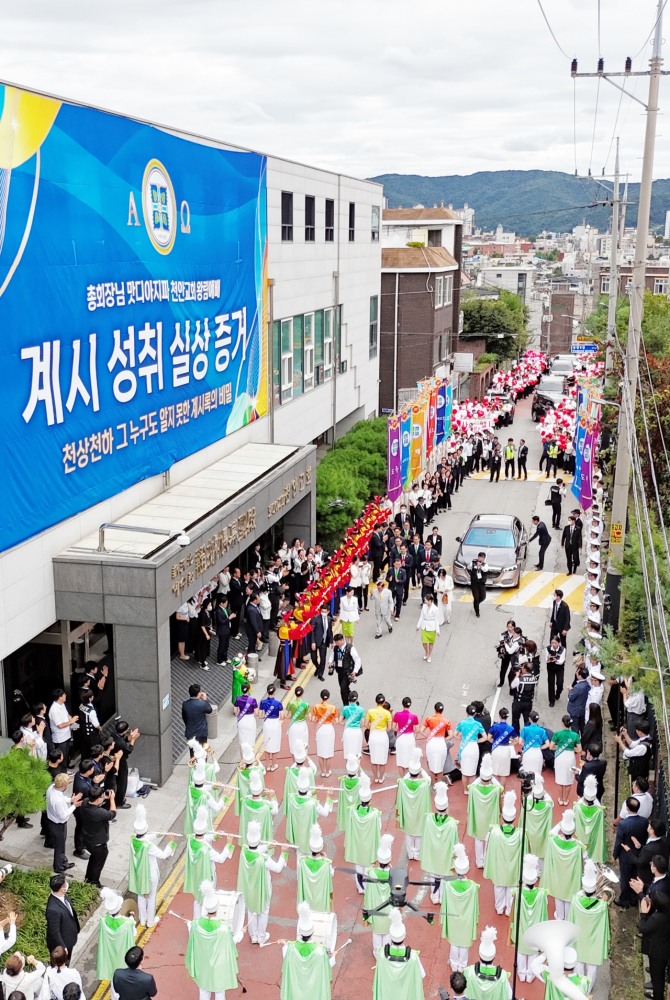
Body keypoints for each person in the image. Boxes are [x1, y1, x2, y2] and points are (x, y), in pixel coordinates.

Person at [185, 880, 239, 998]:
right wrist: (240, 934)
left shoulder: (195, 925)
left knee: (203, 991)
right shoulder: (223, 929)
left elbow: (191, 929)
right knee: (220, 991)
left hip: (203, 963)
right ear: (217, 907)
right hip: (219, 965)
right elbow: (231, 944)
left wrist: (188, 924)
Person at [237, 819, 287, 946]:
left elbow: (255, 849)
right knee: (264, 910)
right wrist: (284, 854)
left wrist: (267, 846)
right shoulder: (263, 858)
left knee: (251, 908)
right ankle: (261, 935)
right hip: (263, 887)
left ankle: (253, 935)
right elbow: (278, 868)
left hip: (249, 886)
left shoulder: (244, 851)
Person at [128, 803, 175, 928]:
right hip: (150, 874)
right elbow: (164, 855)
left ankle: (142, 920)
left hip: (139, 873)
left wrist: (157, 834)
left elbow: (144, 837)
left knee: (141, 896)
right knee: (151, 897)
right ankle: (150, 921)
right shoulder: (148, 846)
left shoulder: (133, 839)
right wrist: (171, 843)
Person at [184, 806, 234, 919]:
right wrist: (228, 845)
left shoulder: (190, 839)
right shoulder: (206, 848)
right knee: (208, 900)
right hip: (208, 874)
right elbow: (220, 858)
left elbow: (202, 836)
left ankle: (196, 923)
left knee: (197, 900)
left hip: (195, 874)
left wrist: (214, 836)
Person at [568, 859, 610, 989]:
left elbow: (570, 919)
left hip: (579, 936)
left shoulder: (575, 901)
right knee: (592, 963)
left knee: (578, 959)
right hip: (594, 938)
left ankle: (579, 986)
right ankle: (588, 988)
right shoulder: (602, 906)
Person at [281, 902, 334, 1000]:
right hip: (313, 993)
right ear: (313, 932)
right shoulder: (320, 952)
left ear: (300, 932)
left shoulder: (290, 949)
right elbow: (326, 966)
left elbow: (286, 956)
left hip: (296, 992)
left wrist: (284, 945)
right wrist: (333, 957)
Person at [484, 791, 525, 916]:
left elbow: (488, 847)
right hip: (513, 868)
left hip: (499, 866)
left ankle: (499, 907)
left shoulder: (495, 832)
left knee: (499, 887)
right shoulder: (520, 834)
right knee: (512, 887)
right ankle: (509, 909)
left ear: (503, 817)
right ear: (514, 817)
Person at [509, 854, 548, 984]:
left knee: (520, 950)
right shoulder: (542, 894)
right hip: (535, 928)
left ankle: (521, 973)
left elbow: (512, 908)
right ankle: (531, 974)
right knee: (532, 951)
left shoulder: (517, 893)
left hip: (521, 926)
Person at [541, 809, 586, 919]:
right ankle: (567, 918)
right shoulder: (578, 845)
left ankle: (560, 916)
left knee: (558, 894)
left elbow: (551, 832)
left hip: (558, 874)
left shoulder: (554, 840)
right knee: (569, 896)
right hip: (571, 876)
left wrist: (562, 823)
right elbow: (585, 858)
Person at [441, 845, 480, 973]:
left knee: (454, 940)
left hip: (452, 917)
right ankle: (462, 964)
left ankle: (453, 962)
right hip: (466, 918)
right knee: (464, 942)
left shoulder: (448, 885)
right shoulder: (473, 886)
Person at [372, 910, 425, 1000]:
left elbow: (379, 977)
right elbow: (421, 975)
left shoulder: (381, 955)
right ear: (404, 936)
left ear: (391, 936)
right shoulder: (413, 957)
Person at [420, 783, 459, 902]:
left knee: (433, 874)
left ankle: (434, 895)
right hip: (445, 853)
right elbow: (455, 842)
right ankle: (442, 896)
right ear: (447, 806)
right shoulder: (452, 824)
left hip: (432, 851)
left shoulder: (428, 819)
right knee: (444, 874)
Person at [345, 775, 382, 894]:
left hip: (357, 842)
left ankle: (360, 887)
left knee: (358, 866)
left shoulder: (352, 810)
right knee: (368, 867)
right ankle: (366, 887)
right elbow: (379, 827)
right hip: (369, 843)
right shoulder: (375, 814)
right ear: (370, 800)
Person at [466, 754, 502, 868]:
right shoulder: (495, 790)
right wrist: (491, 778)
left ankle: (479, 862)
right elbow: (500, 787)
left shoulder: (474, 789)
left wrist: (482, 777)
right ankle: (487, 861)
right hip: (490, 818)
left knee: (478, 839)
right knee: (489, 838)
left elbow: (471, 785)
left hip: (478, 817)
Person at [96, 887, 137, 986]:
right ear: (120, 908)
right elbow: (133, 934)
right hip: (122, 956)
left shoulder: (103, 921)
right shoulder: (127, 923)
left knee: (113, 981)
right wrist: (131, 917)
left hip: (110, 956)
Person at [396, 749, 431, 861]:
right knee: (419, 832)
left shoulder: (403, 783)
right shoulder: (423, 784)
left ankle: (410, 852)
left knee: (409, 831)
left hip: (407, 811)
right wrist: (420, 768)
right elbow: (428, 779)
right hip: (419, 811)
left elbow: (403, 779)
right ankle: (417, 853)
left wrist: (412, 768)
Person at [613, 796, 648, 908]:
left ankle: (624, 900)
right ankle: (633, 898)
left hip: (626, 855)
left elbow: (619, 841)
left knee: (625, 877)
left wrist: (615, 854)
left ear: (627, 808)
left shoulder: (623, 824)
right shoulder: (644, 821)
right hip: (638, 854)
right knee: (635, 876)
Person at [363, 834, 395, 957]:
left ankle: (377, 952)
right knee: (387, 932)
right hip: (388, 909)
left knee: (376, 932)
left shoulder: (371, 873)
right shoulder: (393, 875)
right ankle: (386, 953)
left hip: (375, 908)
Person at [46, 774, 83, 874]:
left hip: (55, 822)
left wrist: (70, 800)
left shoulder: (52, 788)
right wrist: (74, 805)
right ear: (64, 786)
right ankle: (59, 868)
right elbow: (63, 816)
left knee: (61, 845)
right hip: (58, 824)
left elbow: (62, 798)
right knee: (60, 847)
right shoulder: (57, 800)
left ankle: (63, 862)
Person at [80, 786, 116, 887]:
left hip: (88, 839)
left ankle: (88, 878)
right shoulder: (99, 813)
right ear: (98, 799)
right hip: (98, 843)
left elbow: (95, 802)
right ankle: (94, 882)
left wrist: (103, 798)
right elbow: (112, 813)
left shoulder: (85, 802)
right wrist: (112, 799)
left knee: (93, 860)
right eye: (102, 796)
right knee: (98, 863)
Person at [464, 926, 511, 1000]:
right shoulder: (502, 976)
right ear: (494, 956)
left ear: (479, 954)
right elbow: (508, 995)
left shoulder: (469, 971)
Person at [638, 891, 670, 1000]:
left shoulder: (656, 918)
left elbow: (643, 928)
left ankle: (658, 996)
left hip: (657, 953)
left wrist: (643, 913)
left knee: (657, 979)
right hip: (667, 948)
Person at [46, 874, 80, 959]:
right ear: (62, 889)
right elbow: (54, 931)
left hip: (69, 939)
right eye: (65, 884)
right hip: (62, 945)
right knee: (61, 966)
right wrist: (63, 947)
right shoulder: (52, 910)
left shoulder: (63, 896)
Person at [551, 715, 581, 806]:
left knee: (560, 778)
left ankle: (560, 799)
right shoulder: (575, 735)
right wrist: (571, 749)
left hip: (560, 757)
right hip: (570, 757)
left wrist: (559, 747)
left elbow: (551, 747)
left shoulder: (557, 734)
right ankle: (565, 799)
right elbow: (579, 750)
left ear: (562, 723)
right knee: (568, 779)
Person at [456, 706, 487, 794]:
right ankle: (471, 790)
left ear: (467, 712)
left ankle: (465, 790)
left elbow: (455, 734)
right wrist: (476, 741)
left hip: (464, 747)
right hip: (473, 747)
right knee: (472, 772)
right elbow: (485, 737)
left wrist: (462, 739)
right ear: (475, 713)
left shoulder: (462, 723)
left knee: (464, 771)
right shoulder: (478, 724)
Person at [365, 694, 392, 784]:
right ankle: (381, 777)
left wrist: (373, 727)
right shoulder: (387, 713)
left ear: (376, 701)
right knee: (382, 759)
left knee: (373, 759)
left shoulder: (370, 711)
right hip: (383, 736)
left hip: (373, 735)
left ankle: (376, 777)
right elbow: (389, 728)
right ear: (383, 702)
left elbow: (366, 725)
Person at [421, 703, 451, 782]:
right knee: (440, 767)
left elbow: (421, 730)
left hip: (431, 743)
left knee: (431, 766)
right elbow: (451, 735)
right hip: (441, 743)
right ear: (442, 710)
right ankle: (439, 785)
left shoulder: (429, 719)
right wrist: (443, 739)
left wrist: (428, 737)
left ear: (435, 709)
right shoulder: (446, 721)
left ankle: (433, 784)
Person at [112, 720, 139, 809]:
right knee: (122, 782)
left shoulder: (114, 735)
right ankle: (119, 801)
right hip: (121, 762)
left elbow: (124, 739)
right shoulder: (121, 744)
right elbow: (128, 750)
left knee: (117, 781)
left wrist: (129, 737)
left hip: (114, 759)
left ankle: (117, 799)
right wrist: (133, 740)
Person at [49, 690, 79, 768]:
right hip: (60, 737)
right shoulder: (54, 710)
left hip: (67, 734)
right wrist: (71, 721)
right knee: (61, 756)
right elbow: (60, 725)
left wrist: (73, 724)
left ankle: (65, 768)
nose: (66, 696)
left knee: (66, 754)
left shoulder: (62, 704)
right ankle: (62, 772)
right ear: (60, 697)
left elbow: (67, 715)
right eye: (64, 695)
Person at [311, 690, 338, 778]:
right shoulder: (333, 708)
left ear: (321, 696)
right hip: (329, 729)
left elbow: (314, 720)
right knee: (328, 752)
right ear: (328, 696)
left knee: (320, 751)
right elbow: (336, 721)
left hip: (320, 729)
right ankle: (327, 771)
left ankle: (322, 771)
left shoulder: (316, 706)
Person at [487, 708, 516, 787]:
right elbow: (516, 740)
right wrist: (509, 744)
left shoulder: (495, 726)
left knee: (494, 771)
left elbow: (488, 738)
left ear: (499, 716)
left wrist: (495, 742)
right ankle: (501, 792)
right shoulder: (510, 728)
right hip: (505, 750)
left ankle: (493, 790)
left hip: (496, 749)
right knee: (504, 773)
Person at [330, 633, 361, 706]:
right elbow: (332, 654)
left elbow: (357, 659)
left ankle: (346, 706)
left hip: (348, 672)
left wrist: (355, 671)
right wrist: (329, 662)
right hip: (340, 672)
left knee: (343, 690)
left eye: (337, 642)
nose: (337, 644)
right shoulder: (336, 647)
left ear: (342, 640)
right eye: (336, 643)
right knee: (344, 688)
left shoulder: (350, 648)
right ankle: (353, 698)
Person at [259, 684, 284, 771]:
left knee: (267, 744)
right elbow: (282, 716)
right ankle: (273, 765)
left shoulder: (262, 702)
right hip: (275, 724)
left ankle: (268, 765)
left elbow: (260, 715)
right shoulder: (278, 703)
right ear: (274, 692)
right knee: (275, 744)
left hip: (267, 723)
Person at [182, 684, 213, 752]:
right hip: (201, 732)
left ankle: (193, 762)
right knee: (203, 752)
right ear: (198, 693)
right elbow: (209, 710)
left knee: (192, 753)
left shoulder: (185, 704)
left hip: (190, 732)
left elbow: (184, 718)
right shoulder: (202, 704)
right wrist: (205, 699)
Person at [393, 697, 420, 775]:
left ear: (402, 704)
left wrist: (400, 730)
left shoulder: (397, 714)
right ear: (410, 705)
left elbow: (393, 727)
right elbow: (417, 730)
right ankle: (409, 778)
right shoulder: (414, 716)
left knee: (400, 761)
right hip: (410, 738)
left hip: (400, 738)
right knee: (410, 759)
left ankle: (402, 780)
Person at [518, 711, 549, 778]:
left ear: (529, 719)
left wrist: (526, 745)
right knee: (537, 775)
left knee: (526, 773)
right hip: (538, 753)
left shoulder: (525, 729)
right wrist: (539, 748)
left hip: (528, 753)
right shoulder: (542, 730)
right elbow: (547, 744)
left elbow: (520, 742)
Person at [233, 682, 258, 752]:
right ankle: (250, 759)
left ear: (241, 690)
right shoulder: (253, 700)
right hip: (250, 721)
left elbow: (235, 711)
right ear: (249, 689)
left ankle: (243, 760)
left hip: (241, 721)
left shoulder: (238, 698)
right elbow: (257, 713)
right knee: (250, 741)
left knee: (242, 742)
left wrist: (239, 713)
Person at [310, 607, 333, 680]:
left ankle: (320, 674)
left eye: (325, 611)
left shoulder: (329, 619)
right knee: (313, 658)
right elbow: (312, 631)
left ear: (328, 612)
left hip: (324, 641)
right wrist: (313, 642)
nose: (323, 613)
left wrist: (331, 641)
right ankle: (318, 667)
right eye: (322, 611)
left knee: (323, 659)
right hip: (316, 641)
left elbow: (330, 631)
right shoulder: (315, 618)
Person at [340, 691, 365, 759]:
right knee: (357, 752)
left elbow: (340, 721)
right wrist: (357, 726)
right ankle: (356, 769)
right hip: (357, 731)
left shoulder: (345, 708)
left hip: (348, 731)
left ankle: (348, 768)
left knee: (348, 752)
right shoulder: (361, 710)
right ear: (356, 699)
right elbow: (362, 724)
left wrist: (347, 722)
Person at [566, 668, 590, 736]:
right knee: (582, 726)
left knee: (575, 728)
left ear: (580, 676)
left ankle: (576, 743)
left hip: (575, 711)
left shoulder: (578, 687)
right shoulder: (587, 684)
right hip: (582, 709)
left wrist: (570, 690)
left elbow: (571, 697)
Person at [545, 636, 566, 708]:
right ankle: (551, 700)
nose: (553, 644)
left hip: (559, 667)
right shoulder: (548, 648)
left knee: (560, 683)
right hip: (550, 667)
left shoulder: (562, 649)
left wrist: (555, 660)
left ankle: (558, 693)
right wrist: (549, 659)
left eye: (555, 643)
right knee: (551, 683)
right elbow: (546, 658)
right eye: (552, 643)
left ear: (559, 643)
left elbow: (561, 660)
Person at [214, 595, 234, 667]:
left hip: (227, 629)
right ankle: (219, 660)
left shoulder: (224, 609)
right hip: (222, 630)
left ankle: (224, 657)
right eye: (225, 603)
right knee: (221, 645)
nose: (226, 604)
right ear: (221, 603)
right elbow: (221, 622)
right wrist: (229, 618)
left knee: (226, 645)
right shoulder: (218, 611)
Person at [468, 552, 488, 618]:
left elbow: (485, 570)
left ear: (484, 558)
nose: (480, 558)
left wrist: (480, 566)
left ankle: (476, 603)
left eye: (482, 557)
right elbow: (468, 567)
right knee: (476, 597)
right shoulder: (473, 562)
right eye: (479, 557)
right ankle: (477, 611)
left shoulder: (485, 565)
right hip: (474, 583)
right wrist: (474, 565)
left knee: (483, 596)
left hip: (481, 583)